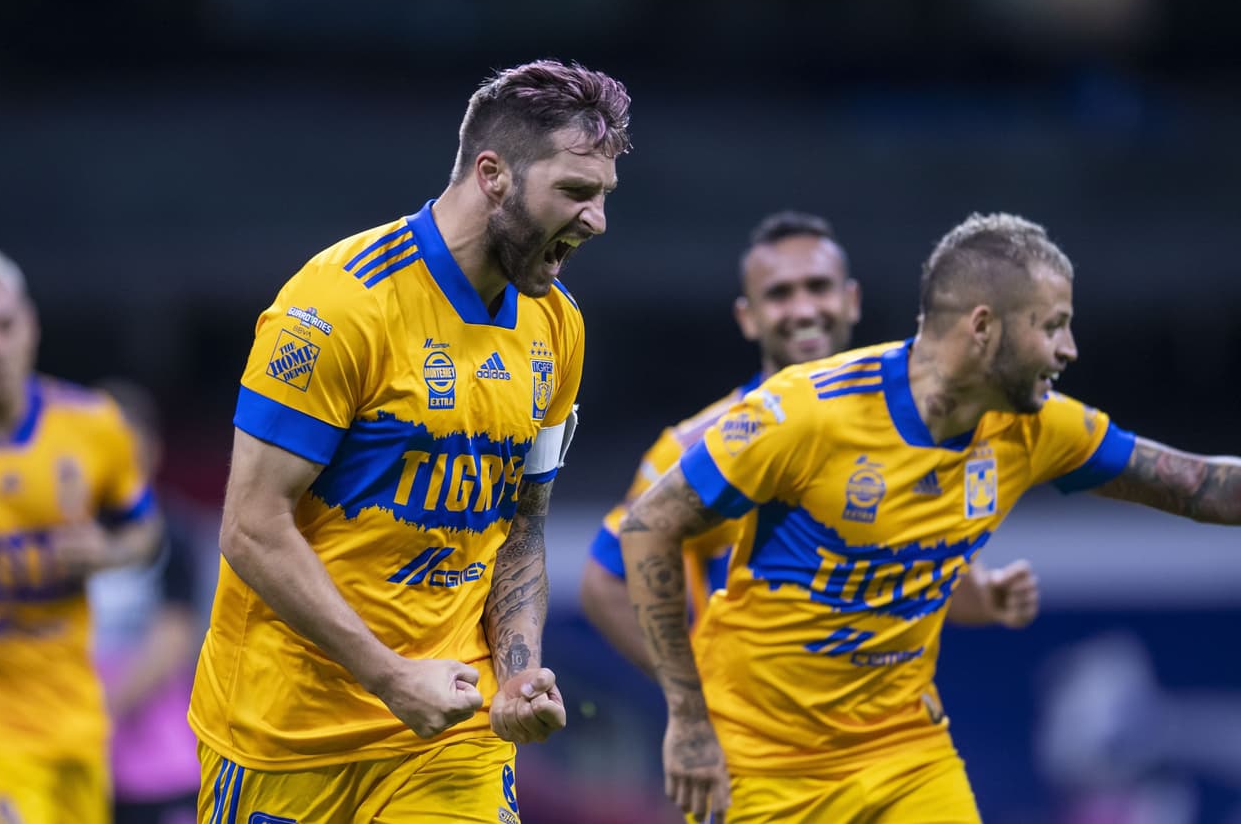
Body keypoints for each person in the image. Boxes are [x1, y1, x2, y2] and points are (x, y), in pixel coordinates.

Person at [618, 213, 1240, 823]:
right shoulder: (805, 413)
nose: (1068, 349)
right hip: (760, 764)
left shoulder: (1037, 426)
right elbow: (649, 526)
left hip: (906, 755)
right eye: (1052, 327)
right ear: (983, 328)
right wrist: (689, 718)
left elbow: (1199, 486)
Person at [187, 59, 631, 823]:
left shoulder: (558, 325)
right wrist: (390, 676)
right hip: (286, 735)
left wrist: (519, 672)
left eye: (602, 197)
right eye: (576, 192)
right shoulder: (339, 304)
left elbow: (521, 523)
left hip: (451, 732)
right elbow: (252, 526)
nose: (596, 221)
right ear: (493, 174)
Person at [581, 212, 1039, 678]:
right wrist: (695, 696)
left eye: (818, 287)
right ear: (748, 317)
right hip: (763, 742)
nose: (803, 309)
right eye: (779, 294)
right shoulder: (701, 443)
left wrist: (981, 595)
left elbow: (913, 567)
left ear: (851, 300)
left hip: (882, 729)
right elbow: (605, 582)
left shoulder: (916, 425)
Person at [0, 237, 161, 824]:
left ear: (30, 326)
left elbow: (145, 534)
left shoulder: (93, 426)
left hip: (73, 709)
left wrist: (108, 552)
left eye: (4, 327)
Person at [89, 379, 218, 824]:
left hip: (158, 771)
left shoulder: (173, 533)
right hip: (70, 764)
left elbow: (172, 641)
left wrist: (91, 713)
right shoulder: (57, 535)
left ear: (153, 450)